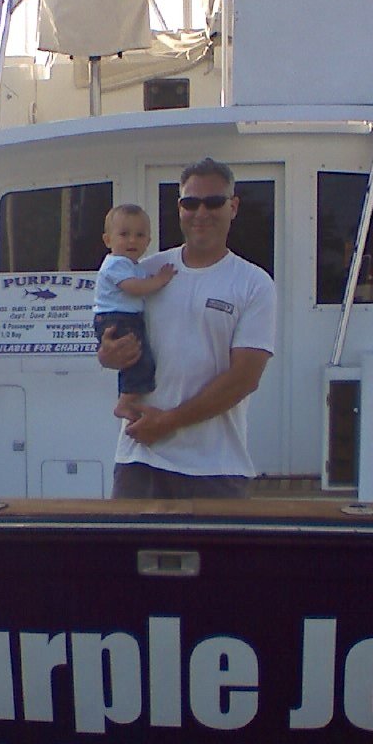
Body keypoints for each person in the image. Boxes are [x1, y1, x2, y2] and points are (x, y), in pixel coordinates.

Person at [98, 157, 276, 498]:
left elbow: (245, 378)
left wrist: (167, 422)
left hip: (217, 469)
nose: (201, 212)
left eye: (214, 202)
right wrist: (107, 354)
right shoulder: (144, 273)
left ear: (233, 206)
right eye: (190, 203)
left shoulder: (254, 284)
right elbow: (109, 335)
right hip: (140, 460)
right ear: (179, 208)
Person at [93, 204, 176, 419]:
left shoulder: (132, 265)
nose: (132, 240)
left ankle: (128, 400)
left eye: (140, 235)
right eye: (124, 234)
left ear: (148, 241)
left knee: (138, 361)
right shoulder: (116, 264)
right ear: (107, 240)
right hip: (117, 318)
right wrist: (160, 280)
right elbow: (134, 288)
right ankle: (125, 403)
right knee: (137, 360)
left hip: (124, 317)